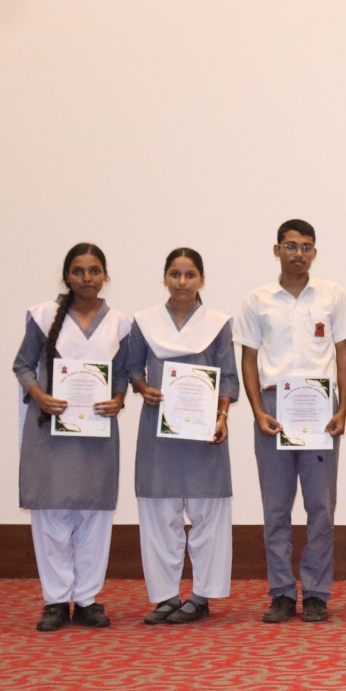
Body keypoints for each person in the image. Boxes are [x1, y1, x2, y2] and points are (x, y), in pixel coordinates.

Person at [233, 219, 346, 625]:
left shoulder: (332, 295)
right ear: (277, 250)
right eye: (290, 246)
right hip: (273, 407)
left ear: (314, 252)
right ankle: (282, 592)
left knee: (321, 506)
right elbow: (248, 358)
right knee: (276, 508)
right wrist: (257, 410)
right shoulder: (257, 299)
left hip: (320, 409)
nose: (298, 253)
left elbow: (343, 354)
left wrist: (343, 408)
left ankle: (317, 592)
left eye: (306, 246)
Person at [12, 243, 131, 632]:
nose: (86, 278)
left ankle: (88, 599)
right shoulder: (43, 316)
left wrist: (118, 399)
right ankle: (55, 600)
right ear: (67, 276)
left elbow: (122, 374)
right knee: (51, 515)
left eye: (94, 270)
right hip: (51, 431)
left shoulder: (120, 323)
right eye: (78, 271)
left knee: (95, 514)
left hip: (97, 431)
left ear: (105, 276)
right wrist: (39, 396)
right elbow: (23, 365)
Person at [127, 248, 240, 625]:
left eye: (190, 275)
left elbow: (228, 376)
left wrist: (222, 417)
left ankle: (201, 596)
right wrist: (143, 388)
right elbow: (132, 368)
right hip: (158, 430)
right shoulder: (144, 322)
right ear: (164, 278)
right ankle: (166, 596)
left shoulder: (218, 323)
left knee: (209, 513)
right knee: (159, 514)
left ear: (201, 279)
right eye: (175, 274)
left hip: (205, 431)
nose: (182, 282)